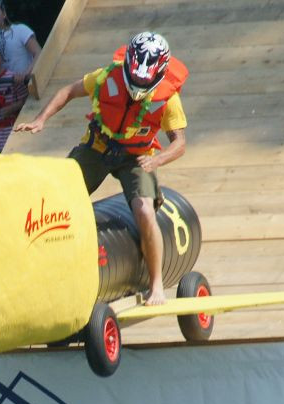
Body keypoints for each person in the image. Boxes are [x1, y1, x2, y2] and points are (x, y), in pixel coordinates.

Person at [15, 32, 187, 306]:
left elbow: (179, 144)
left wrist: (157, 161)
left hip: (139, 156)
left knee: (144, 209)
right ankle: (37, 268)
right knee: (60, 199)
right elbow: (68, 91)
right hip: (98, 146)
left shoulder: (169, 99)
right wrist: (40, 120)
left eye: (145, 80)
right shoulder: (107, 76)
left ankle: (156, 286)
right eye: (135, 76)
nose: (138, 83)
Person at [0, 0, 41, 86]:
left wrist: (26, 73)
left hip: (28, 84)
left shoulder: (20, 30)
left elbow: (39, 53)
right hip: (6, 91)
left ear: (4, 13)